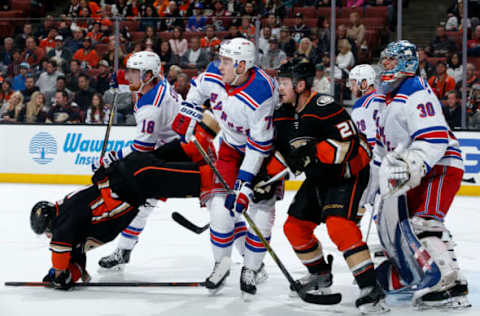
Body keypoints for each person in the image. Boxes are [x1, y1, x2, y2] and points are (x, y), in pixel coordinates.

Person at [274, 61, 386, 313]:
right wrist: (263, 181)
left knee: (339, 225)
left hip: (347, 173)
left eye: (283, 83)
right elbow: (283, 155)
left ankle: (370, 287)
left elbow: (351, 145)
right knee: (294, 227)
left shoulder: (325, 107)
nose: (278, 88)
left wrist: (314, 151)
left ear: (300, 85)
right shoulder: (281, 114)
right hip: (319, 177)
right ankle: (320, 274)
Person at [172, 38, 279, 298]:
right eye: (221, 60)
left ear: (242, 65)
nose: (220, 66)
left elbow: (258, 147)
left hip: (265, 155)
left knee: (261, 212)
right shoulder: (215, 74)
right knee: (220, 208)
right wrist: (189, 113)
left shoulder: (261, 93)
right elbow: (197, 90)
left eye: (227, 62)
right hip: (230, 149)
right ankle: (222, 263)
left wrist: (244, 185)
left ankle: (253, 268)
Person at [369, 40, 470, 309]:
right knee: (413, 227)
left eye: (390, 61)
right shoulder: (386, 100)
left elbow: (435, 138)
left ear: (405, 64)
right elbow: (381, 152)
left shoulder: (415, 92)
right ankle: (447, 276)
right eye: (384, 60)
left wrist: (416, 161)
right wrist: (373, 188)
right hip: (416, 171)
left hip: (441, 165)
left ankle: (446, 281)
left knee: (424, 223)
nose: (384, 66)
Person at [30, 147, 207, 290]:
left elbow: (60, 262)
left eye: (46, 231)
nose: (48, 236)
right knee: (189, 149)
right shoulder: (67, 215)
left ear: (49, 225)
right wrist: (71, 274)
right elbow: (76, 259)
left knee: (207, 180)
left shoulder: (62, 228)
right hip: (131, 173)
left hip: (136, 181)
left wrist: (59, 276)